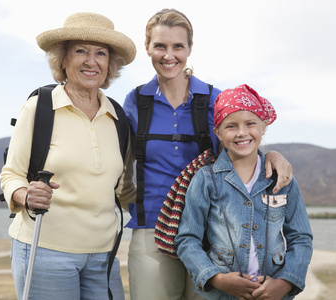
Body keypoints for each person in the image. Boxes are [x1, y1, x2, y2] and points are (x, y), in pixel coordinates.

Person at [122, 9, 294, 300]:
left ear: (189, 48)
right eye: (160, 46)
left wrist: (272, 153)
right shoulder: (136, 101)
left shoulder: (215, 98)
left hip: (211, 229)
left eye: (178, 46)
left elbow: (242, 141)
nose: (169, 55)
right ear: (148, 47)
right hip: (150, 227)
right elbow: (119, 163)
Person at [0, 12, 136, 300]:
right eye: (80, 51)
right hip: (46, 251)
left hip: (104, 255)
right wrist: (25, 195)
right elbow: (10, 174)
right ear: (62, 59)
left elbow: (123, 189)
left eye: (100, 53)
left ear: (109, 64)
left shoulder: (118, 117)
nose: (91, 60)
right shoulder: (40, 107)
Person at [175, 84, 313, 300]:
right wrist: (216, 279)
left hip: (274, 293)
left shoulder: (282, 179)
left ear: (263, 126)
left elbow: (301, 237)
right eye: (231, 126)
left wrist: (285, 283)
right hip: (222, 294)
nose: (242, 133)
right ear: (218, 132)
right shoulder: (205, 179)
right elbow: (187, 239)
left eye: (250, 123)